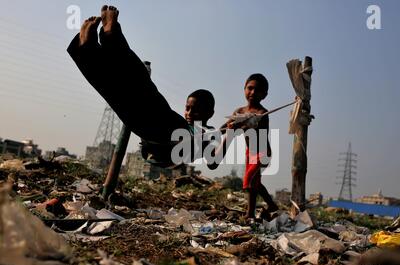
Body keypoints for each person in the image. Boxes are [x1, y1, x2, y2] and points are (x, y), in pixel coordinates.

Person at [67, 6, 215, 167]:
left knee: (139, 89)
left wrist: (231, 134)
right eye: (188, 108)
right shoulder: (183, 124)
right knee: (124, 91)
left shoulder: (207, 135)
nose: (189, 113)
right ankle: (93, 45)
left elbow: (213, 161)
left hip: (165, 137)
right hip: (153, 130)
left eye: (196, 110)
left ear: (209, 113)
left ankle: (98, 43)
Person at [212, 74, 279, 221]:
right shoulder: (240, 111)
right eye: (250, 88)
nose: (253, 93)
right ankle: (267, 206)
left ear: (265, 95)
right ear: (244, 89)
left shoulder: (262, 114)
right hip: (250, 152)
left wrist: (240, 125)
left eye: (258, 90)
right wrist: (220, 131)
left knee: (249, 181)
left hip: (262, 153)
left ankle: (252, 212)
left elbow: (251, 128)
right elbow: (226, 126)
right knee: (255, 182)